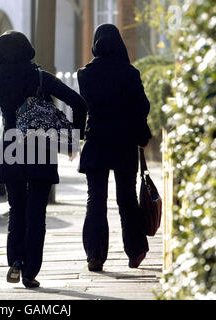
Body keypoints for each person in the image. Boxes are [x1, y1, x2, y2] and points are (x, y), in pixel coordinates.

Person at [0, 30, 87, 288]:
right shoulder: (40, 77)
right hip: (39, 146)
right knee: (36, 212)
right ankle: (31, 270)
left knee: (16, 209)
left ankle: (15, 262)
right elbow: (78, 103)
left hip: (11, 146)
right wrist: (74, 138)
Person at [77, 24, 152, 272]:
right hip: (124, 142)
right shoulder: (130, 74)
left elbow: (87, 106)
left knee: (95, 200)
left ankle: (95, 255)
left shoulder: (85, 74)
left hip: (97, 141)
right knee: (127, 198)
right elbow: (142, 108)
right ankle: (135, 250)